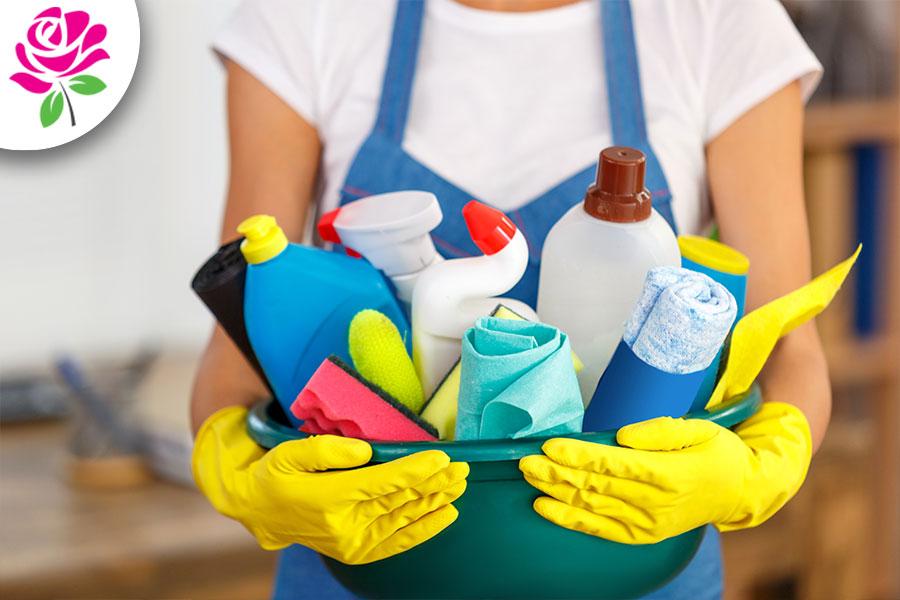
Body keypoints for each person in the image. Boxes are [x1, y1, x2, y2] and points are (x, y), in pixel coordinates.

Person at [190, 1, 825, 598]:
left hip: (638, 563)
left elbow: (789, 347)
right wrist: (240, 470)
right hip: (367, 561)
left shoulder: (717, 19)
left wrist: (763, 464)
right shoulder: (308, 18)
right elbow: (235, 351)